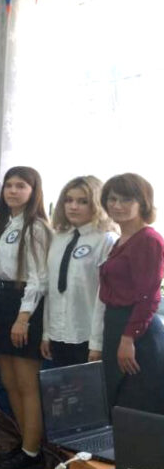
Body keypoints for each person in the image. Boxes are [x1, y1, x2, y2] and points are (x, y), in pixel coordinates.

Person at [0, 167, 51, 469]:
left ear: (33, 191)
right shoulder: (5, 223)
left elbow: (39, 278)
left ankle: (33, 451)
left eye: (20, 186)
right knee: (9, 382)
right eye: (8, 185)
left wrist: (23, 318)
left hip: (25, 305)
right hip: (2, 300)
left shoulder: (36, 227)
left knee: (27, 385)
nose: (12, 191)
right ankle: (26, 444)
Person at [98, 173, 164, 416]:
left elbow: (149, 296)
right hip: (117, 325)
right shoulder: (122, 239)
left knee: (135, 407)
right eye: (112, 199)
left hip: (137, 332)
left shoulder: (148, 240)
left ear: (142, 203)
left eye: (126, 200)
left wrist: (128, 338)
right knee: (115, 403)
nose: (117, 205)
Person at [42, 176, 116, 368]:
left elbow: (104, 295)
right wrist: (46, 333)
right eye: (69, 200)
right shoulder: (58, 238)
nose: (73, 207)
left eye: (83, 202)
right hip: (58, 333)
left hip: (87, 336)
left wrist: (97, 343)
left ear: (97, 205)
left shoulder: (106, 240)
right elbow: (51, 289)